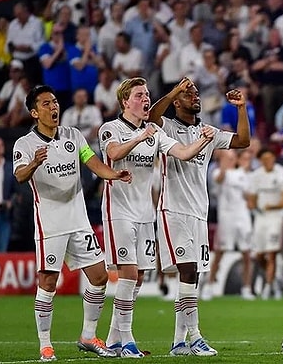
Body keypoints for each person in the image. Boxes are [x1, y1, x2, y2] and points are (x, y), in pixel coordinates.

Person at [12, 85, 132, 361]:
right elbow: (19, 176)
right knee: (48, 281)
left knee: (100, 276)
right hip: (50, 224)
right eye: (45, 104)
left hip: (79, 221)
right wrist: (34, 164)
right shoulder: (25, 144)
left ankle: (88, 336)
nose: (53, 107)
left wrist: (113, 174)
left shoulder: (73, 136)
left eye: (54, 102)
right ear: (34, 112)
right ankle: (45, 345)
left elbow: (92, 163)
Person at [98, 77, 214, 358]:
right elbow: (112, 153)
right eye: (139, 95)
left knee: (137, 277)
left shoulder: (156, 132)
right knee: (127, 274)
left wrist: (202, 140)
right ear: (125, 102)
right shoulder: (110, 129)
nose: (145, 99)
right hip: (119, 212)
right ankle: (127, 342)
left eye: (147, 94)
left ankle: (114, 340)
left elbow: (183, 153)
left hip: (144, 214)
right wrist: (139, 137)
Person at [147, 78, 250, 356]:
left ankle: (179, 341)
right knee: (188, 271)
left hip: (199, 213)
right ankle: (194, 336)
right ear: (177, 102)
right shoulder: (166, 128)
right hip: (173, 209)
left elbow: (243, 140)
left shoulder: (208, 131)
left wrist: (241, 108)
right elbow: (151, 117)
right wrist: (172, 92)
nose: (194, 96)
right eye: (188, 94)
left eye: (195, 93)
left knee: (193, 277)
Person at [207, 149, 255, 300]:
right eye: (228, 158)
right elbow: (219, 180)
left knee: (246, 254)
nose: (231, 160)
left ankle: (246, 288)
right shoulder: (218, 173)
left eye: (233, 157)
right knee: (220, 252)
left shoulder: (245, 175)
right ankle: (209, 286)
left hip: (243, 218)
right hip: (226, 218)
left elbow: (250, 197)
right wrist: (223, 164)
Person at [248, 147, 283, 300]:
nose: (268, 162)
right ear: (260, 160)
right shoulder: (255, 176)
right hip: (260, 218)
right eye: (265, 159)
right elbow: (251, 199)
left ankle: (268, 287)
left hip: (277, 217)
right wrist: (254, 207)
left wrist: (271, 206)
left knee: (272, 253)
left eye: (270, 158)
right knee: (259, 255)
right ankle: (274, 279)